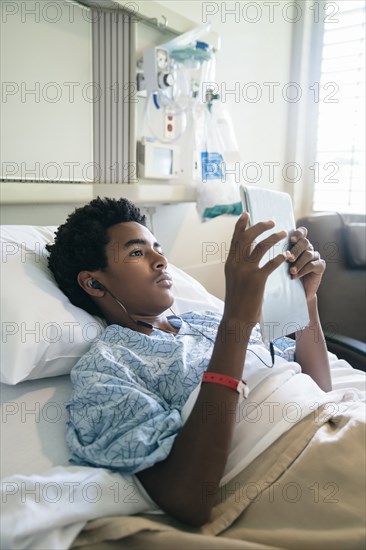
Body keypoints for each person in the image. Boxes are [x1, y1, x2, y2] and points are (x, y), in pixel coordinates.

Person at [46, 196, 332, 526]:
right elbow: (186, 497)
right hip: (293, 468)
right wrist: (236, 324)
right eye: (137, 253)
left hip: (333, 421)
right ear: (93, 282)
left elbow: (318, 387)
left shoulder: (205, 321)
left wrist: (307, 302)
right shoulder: (108, 365)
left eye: (158, 248)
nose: (161, 261)